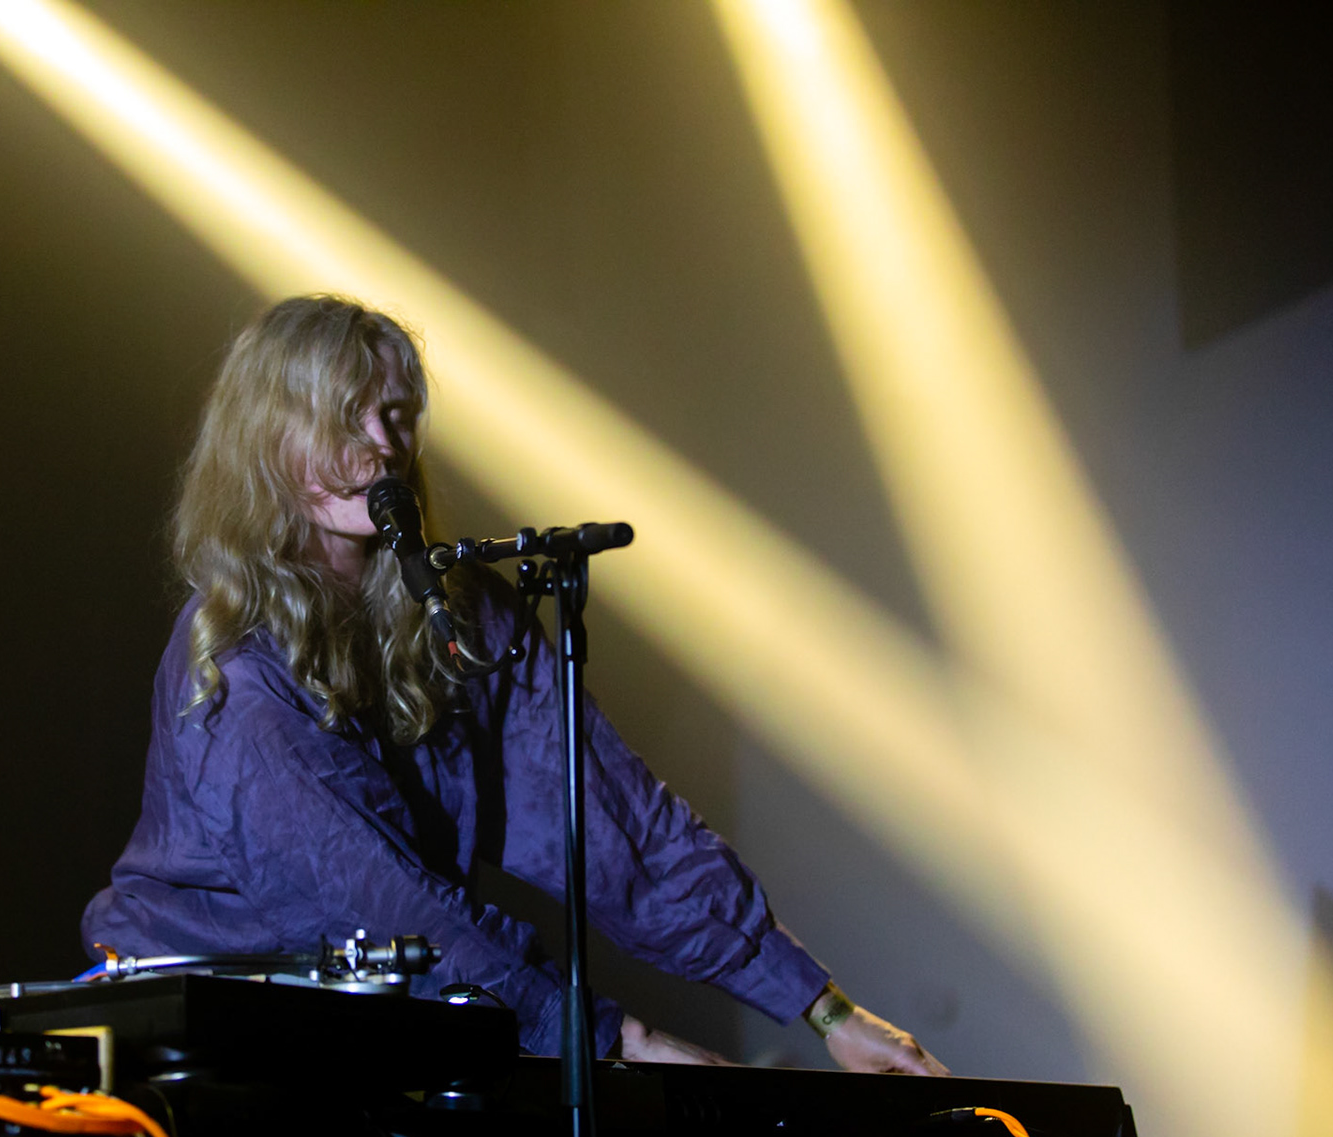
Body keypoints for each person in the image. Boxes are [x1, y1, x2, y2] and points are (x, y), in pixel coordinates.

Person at [82, 294, 946, 1075]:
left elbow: (612, 823)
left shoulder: (461, 616)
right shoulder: (232, 667)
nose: (383, 445)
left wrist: (821, 1008)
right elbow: (380, 905)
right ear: (269, 441)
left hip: (379, 1010)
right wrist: (613, 1037)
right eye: (346, 417)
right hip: (206, 1029)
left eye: (396, 414)